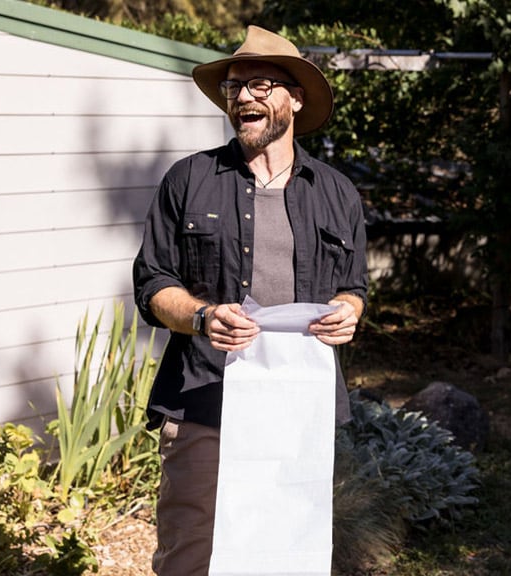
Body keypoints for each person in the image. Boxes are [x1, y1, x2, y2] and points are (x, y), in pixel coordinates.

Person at [132, 25, 367, 575]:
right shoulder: (189, 179)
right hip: (204, 403)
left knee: (285, 555)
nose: (243, 97)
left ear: (295, 98)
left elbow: (353, 288)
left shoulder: (336, 192)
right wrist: (201, 315)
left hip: (297, 406)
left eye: (260, 85)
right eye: (235, 88)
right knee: (191, 557)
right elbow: (152, 282)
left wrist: (349, 314)